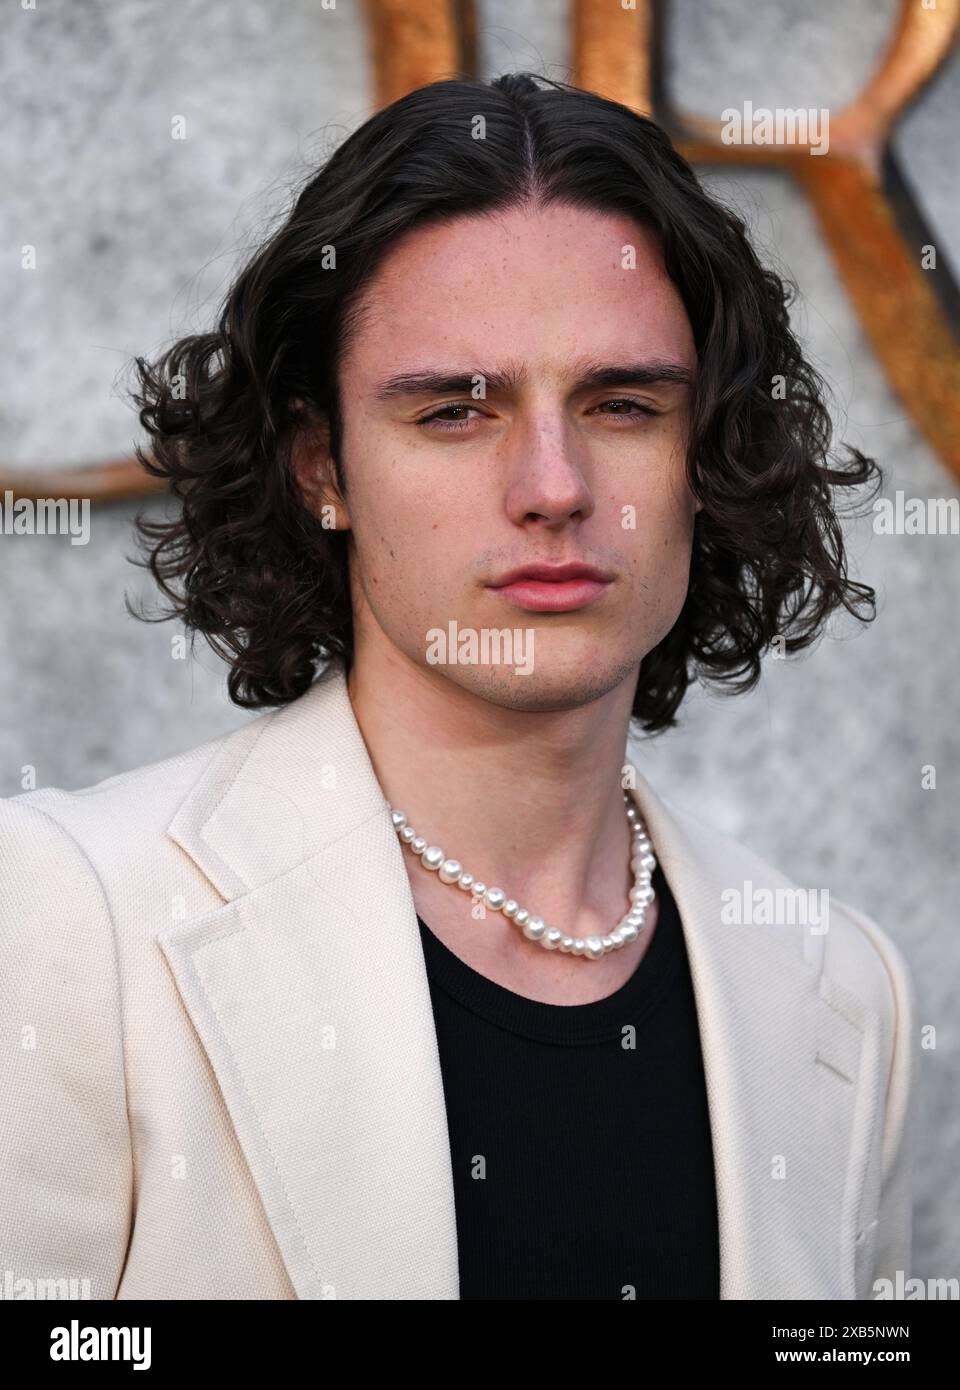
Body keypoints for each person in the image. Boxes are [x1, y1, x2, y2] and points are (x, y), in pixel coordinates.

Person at [0, 72, 914, 1301]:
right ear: (323, 462)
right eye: (452, 412)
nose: (553, 484)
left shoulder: (840, 988)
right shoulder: (67, 920)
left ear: (706, 456)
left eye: (625, 403)